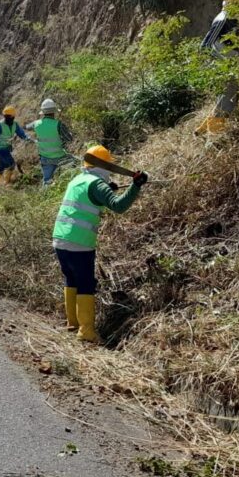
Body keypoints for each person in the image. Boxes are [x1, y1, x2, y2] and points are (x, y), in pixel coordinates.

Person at [52, 146, 148, 343]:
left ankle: (73, 322)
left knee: (72, 279)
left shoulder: (77, 180)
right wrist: (136, 185)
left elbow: (89, 199)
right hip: (79, 242)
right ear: (106, 166)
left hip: (60, 239)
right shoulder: (97, 184)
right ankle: (86, 331)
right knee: (86, 284)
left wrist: (107, 190)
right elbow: (119, 206)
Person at [195, 0, 239, 136]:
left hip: (230, 63)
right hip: (221, 65)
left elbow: (234, 43)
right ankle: (215, 136)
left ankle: (203, 130)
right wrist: (216, 64)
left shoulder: (233, 19)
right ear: (231, 2)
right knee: (227, 96)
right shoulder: (222, 19)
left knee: (231, 95)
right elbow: (205, 45)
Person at [26, 98, 75, 187]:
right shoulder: (58, 124)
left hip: (45, 158)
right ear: (54, 112)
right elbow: (69, 139)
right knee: (75, 165)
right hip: (60, 157)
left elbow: (27, 127)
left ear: (43, 112)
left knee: (47, 181)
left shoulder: (36, 124)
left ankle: (45, 196)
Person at [0, 105, 30, 184]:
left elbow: (21, 133)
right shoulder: (0, 125)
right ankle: (7, 182)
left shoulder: (15, 124)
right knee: (11, 164)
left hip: (7, 147)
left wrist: (26, 138)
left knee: (2, 166)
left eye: (9, 116)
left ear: (13, 116)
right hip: (0, 149)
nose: (7, 118)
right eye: (6, 116)